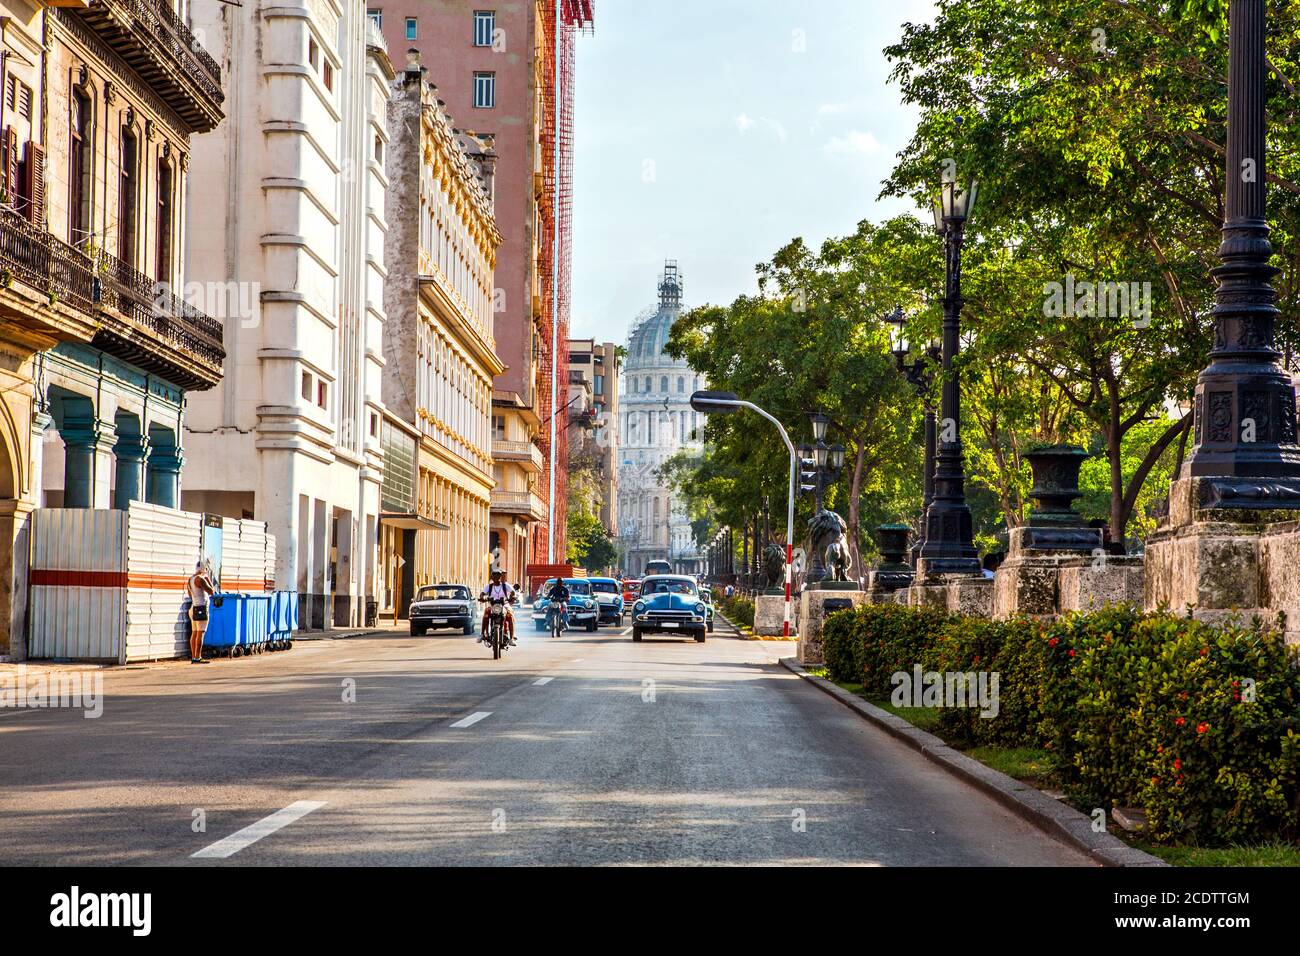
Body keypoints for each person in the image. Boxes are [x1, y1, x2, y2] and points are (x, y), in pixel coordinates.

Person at [186, 561, 215, 664]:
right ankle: (198, 657)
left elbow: (190, 594)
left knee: (194, 633)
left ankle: (194, 657)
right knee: (200, 634)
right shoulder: (201, 579)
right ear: (204, 569)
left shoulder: (190, 579)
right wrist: (207, 579)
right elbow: (211, 591)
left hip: (193, 608)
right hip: (201, 609)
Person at [480, 570, 517, 645]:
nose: (497, 577)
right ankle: (482, 634)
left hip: (504, 605)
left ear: (501, 577)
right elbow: (482, 593)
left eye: (498, 575)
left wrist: (512, 596)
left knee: (510, 615)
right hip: (493, 606)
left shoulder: (505, 585)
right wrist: (482, 597)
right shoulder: (489, 586)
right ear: (492, 577)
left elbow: (513, 592)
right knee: (486, 612)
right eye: (495, 575)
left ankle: (511, 638)